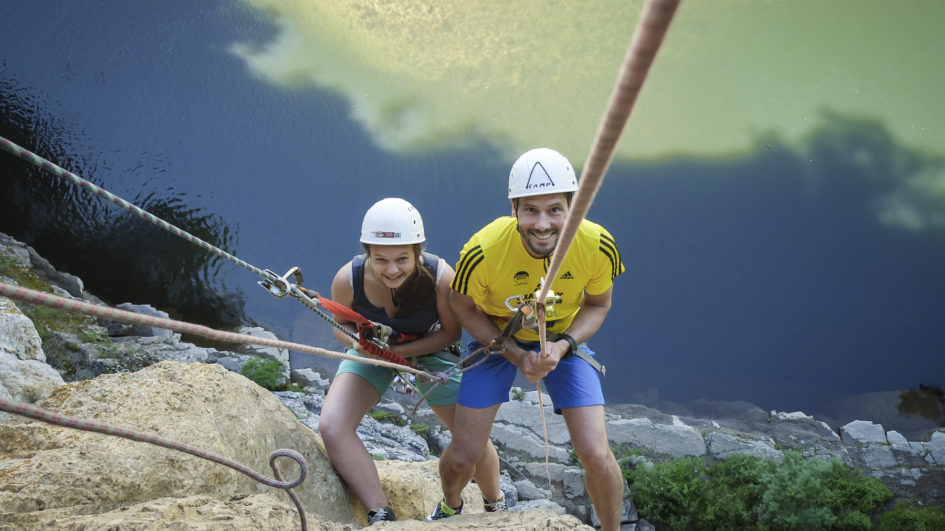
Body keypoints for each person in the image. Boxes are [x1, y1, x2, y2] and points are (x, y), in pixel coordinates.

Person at [429, 148, 626, 530]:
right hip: (497, 340)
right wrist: (515, 354)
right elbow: (462, 305)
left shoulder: (596, 245)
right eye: (530, 210)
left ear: (573, 206)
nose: (542, 223)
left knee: (597, 455)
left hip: (561, 340)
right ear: (513, 208)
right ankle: (452, 506)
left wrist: (565, 344)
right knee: (463, 454)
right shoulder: (483, 251)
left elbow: (599, 305)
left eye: (555, 209)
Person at [318, 197, 503, 525]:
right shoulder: (349, 279)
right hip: (373, 350)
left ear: (418, 251)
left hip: (429, 349)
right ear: (367, 253)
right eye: (381, 259)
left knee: (471, 440)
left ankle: (494, 503)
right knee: (333, 426)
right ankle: (382, 515)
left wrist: (398, 354)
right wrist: (360, 344)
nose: (392, 269)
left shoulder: (441, 277)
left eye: (402, 258)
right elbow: (340, 329)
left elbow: (450, 333)